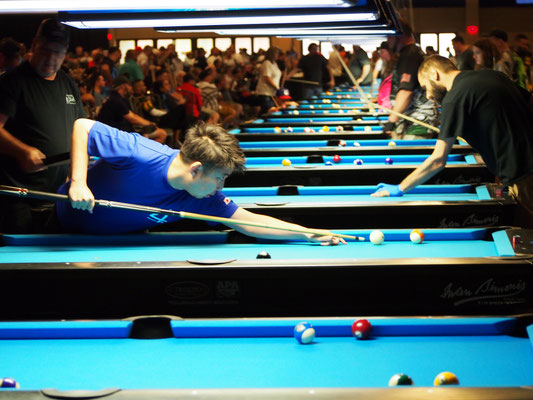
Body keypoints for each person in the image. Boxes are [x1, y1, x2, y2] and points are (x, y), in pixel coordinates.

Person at [57, 118, 343, 245]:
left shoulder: (202, 197)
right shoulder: (139, 153)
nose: (220, 188)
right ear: (196, 169)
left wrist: (307, 233)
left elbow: (250, 222)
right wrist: (78, 182)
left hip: (115, 244)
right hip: (60, 229)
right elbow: (84, 127)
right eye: (219, 178)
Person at [372, 55, 533, 227]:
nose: (428, 95)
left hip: (522, 174)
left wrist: (400, 188)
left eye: (425, 87)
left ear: (434, 74)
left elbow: (438, 160)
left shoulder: (454, 98)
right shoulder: (491, 75)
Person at [0, 18, 86, 233]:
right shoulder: (12, 82)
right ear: (34, 44)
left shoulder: (68, 83)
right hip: (19, 200)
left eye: (58, 53)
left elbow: (81, 130)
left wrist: (76, 176)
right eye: (46, 50)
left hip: (58, 197)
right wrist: (22, 151)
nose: (51, 59)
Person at [383, 18, 439, 140]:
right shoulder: (410, 53)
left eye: (390, 37)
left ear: (400, 35)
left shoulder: (410, 55)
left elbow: (406, 92)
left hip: (418, 123)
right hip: (413, 120)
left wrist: (391, 121)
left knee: (406, 150)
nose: (388, 41)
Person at [97, 75, 167, 143]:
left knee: (150, 132)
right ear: (123, 86)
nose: (131, 88)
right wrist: (149, 124)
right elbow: (132, 118)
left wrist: (148, 124)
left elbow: (132, 115)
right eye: (129, 85)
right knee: (161, 133)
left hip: (120, 131)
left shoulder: (118, 98)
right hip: (117, 135)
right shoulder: (116, 100)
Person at [255, 47, 283, 114]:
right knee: (268, 111)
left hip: (272, 92)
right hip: (265, 92)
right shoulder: (266, 63)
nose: (277, 55)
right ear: (272, 54)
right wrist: (276, 87)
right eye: (276, 53)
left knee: (267, 111)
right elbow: (266, 78)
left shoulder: (274, 64)